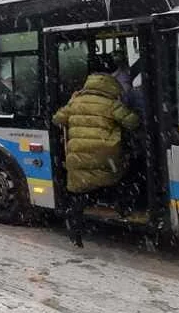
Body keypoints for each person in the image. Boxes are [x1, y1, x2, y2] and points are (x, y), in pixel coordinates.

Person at [51, 55, 140, 245]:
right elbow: (132, 122)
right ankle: (123, 209)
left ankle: (75, 232)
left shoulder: (76, 101)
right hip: (106, 156)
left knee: (79, 195)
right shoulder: (111, 103)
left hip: (78, 157)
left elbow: (57, 119)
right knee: (120, 179)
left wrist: (71, 102)